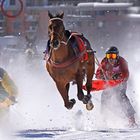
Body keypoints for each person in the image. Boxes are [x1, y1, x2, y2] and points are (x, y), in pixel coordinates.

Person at [95, 46, 137, 127]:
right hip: (109, 83)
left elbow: (126, 75)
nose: (110, 59)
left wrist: (119, 76)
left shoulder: (122, 61)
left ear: (117, 56)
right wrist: (101, 76)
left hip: (121, 83)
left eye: (113, 56)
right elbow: (98, 74)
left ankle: (131, 120)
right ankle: (104, 118)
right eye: (108, 56)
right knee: (104, 97)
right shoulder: (104, 61)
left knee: (121, 97)